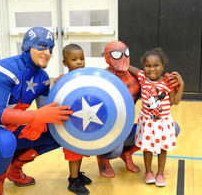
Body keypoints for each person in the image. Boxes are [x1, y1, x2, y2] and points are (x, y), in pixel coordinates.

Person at [0, 27, 73, 195]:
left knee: (59, 132)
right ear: (27, 46)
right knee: (4, 141)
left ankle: (14, 167)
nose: (48, 53)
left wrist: (65, 87)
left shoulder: (42, 78)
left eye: (50, 48)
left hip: (10, 129)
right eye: (42, 46)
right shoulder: (4, 69)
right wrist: (36, 117)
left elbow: (46, 111)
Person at [97, 41, 181, 178]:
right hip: (106, 131)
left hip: (133, 127)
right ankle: (103, 160)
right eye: (117, 54)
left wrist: (176, 85)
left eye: (126, 53)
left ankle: (127, 152)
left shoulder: (137, 81)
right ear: (107, 57)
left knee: (173, 128)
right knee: (113, 151)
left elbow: (168, 102)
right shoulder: (101, 80)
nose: (123, 57)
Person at [128, 47, 184, 186]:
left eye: (156, 65)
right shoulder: (142, 78)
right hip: (147, 122)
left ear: (163, 67)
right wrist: (118, 62)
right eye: (148, 66)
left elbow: (175, 101)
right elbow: (130, 68)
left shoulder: (167, 82)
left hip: (163, 123)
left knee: (162, 149)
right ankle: (148, 172)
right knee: (147, 149)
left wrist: (181, 84)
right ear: (143, 67)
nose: (151, 69)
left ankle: (160, 174)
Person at [55, 44, 91, 195]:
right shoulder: (62, 80)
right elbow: (56, 100)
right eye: (74, 59)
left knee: (80, 150)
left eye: (82, 59)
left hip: (84, 121)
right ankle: (73, 180)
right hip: (70, 124)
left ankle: (76, 174)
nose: (79, 62)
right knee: (73, 152)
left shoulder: (87, 77)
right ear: (65, 63)